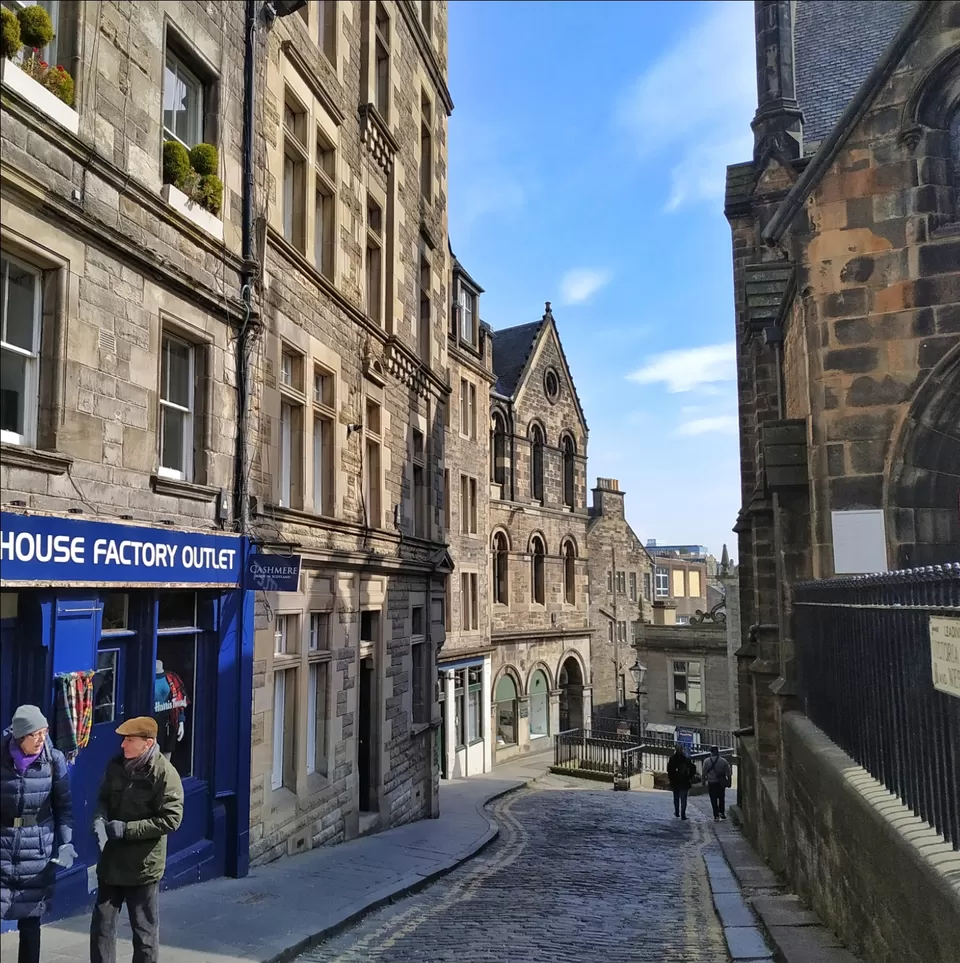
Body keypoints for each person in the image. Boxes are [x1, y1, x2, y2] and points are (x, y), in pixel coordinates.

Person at [90, 716, 183, 963]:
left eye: (129, 740)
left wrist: (127, 830)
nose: (123, 745)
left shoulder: (164, 774)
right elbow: (103, 799)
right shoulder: (116, 766)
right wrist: (99, 821)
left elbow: (171, 820)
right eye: (123, 739)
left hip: (143, 866)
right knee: (101, 928)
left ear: (147, 743)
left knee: (144, 934)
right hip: (112, 862)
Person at [1, 705, 76, 963]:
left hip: (36, 851)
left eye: (45, 733)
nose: (42, 739)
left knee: (31, 926)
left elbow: (64, 809)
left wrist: (66, 843)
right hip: (2, 848)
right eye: (37, 735)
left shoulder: (53, 761)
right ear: (20, 736)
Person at [666, 744, 696, 820]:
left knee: (676, 797)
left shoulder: (672, 759)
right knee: (683, 799)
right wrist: (689, 777)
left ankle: (677, 812)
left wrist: (671, 779)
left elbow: (669, 770)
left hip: (675, 782)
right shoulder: (686, 759)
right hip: (684, 781)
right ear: (682, 750)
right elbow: (693, 769)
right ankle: (683, 814)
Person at [703, 746, 732, 821]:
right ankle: (722, 812)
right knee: (721, 797)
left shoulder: (706, 761)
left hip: (711, 782)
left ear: (711, 752)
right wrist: (729, 782)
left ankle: (715, 815)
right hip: (720, 783)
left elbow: (704, 773)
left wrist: (703, 781)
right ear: (717, 752)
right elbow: (728, 773)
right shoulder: (723, 761)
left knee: (713, 799)